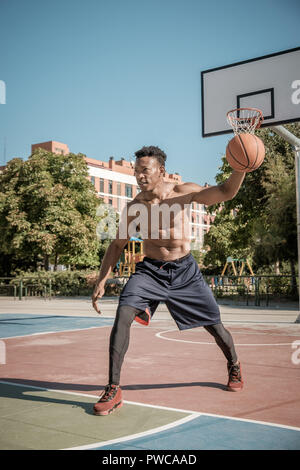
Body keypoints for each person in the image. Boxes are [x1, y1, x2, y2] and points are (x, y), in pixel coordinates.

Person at [92, 145, 244, 416]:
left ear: (161, 170)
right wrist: (102, 279)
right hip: (150, 271)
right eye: (136, 170)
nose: (139, 176)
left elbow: (225, 191)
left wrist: (240, 169)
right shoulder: (134, 208)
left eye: (145, 170)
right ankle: (113, 387)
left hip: (185, 271)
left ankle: (234, 364)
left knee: (215, 325)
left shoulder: (182, 193)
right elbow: (116, 246)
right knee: (123, 313)